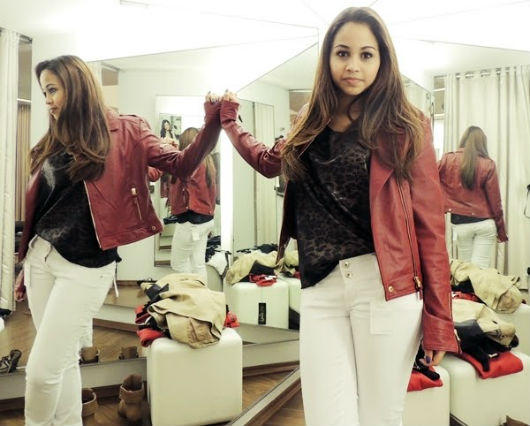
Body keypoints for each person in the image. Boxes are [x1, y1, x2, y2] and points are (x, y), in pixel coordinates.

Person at [218, 7, 458, 425]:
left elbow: (430, 228)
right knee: (327, 417)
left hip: (384, 288)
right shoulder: (307, 122)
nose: (353, 66)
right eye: (343, 53)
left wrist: (440, 319)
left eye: (366, 55)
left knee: (379, 417)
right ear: (328, 57)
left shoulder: (406, 125)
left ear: (382, 60)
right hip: (320, 287)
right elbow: (267, 161)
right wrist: (229, 121)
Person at [13, 54, 222, 426]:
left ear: (76, 86)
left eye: (53, 90)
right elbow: (43, 205)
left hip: (86, 266)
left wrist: (212, 123)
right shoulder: (57, 137)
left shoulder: (128, 130)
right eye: (44, 92)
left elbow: (181, 164)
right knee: (62, 360)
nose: (48, 100)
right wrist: (22, 264)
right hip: (40, 258)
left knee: (41, 373)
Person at [438, 125, 508, 268]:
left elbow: (427, 179)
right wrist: (501, 231)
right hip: (484, 224)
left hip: (460, 224)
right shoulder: (488, 164)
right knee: (480, 271)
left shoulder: (448, 159)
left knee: (466, 270)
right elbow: (495, 202)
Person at [168, 127, 217, 282]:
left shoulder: (188, 165)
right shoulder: (208, 162)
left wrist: (169, 149)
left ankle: (190, 294)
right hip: (206, 220)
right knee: (198, 264)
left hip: (191, 222)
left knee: (178, 264)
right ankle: (201, 294)